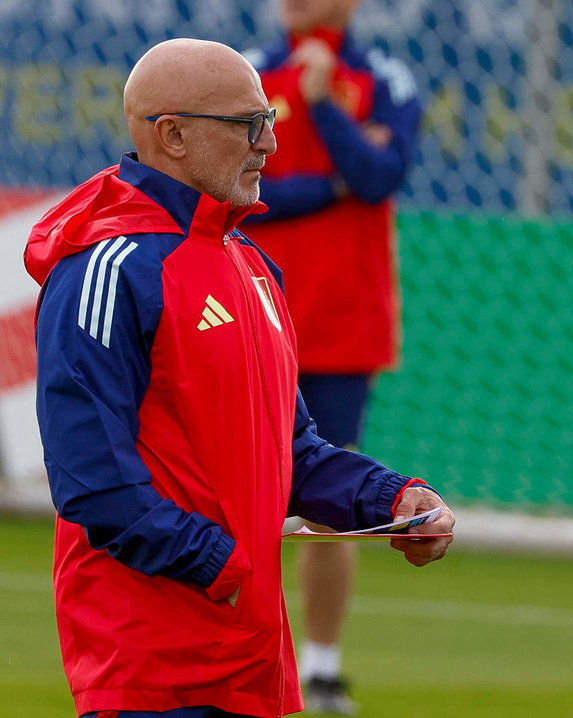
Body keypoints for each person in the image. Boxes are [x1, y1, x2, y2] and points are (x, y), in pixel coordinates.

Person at [24, 38, 454, 718]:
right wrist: (217, 565)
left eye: (273, 123)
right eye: (251, 125)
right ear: (172, 135)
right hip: (151, 666)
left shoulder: (250, 265)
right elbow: (90, 475)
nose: (270, 146)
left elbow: (291, 451)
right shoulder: (106, 270)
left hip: (251, 658)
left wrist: (391, 501)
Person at [238, 1, 422, 711]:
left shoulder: (383, 79)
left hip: (344, 324)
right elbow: (242, 191)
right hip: (255, 311)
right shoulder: (247, 73)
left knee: (329, 495)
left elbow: (379, 176)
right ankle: (245, 654)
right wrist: (329, 187)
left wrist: (321, 107)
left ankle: (319, 668)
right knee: (237, 490)